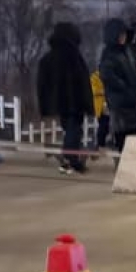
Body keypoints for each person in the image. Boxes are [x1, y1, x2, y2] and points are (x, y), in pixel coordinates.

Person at [37, 22, 95, 175]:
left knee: (69, 129)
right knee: (74, 129)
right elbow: (83, 81)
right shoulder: (75, 57)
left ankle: (71, 158)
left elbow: (42, 83)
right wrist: (88, 104)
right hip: (75, 101)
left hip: (58, 102)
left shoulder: (48, 58)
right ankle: (70, 158)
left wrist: (45, 104)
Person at [99, 18, 136, 152]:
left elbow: (134, 70)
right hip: (120, 104)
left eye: (125, 35)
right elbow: (107, 74)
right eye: (121, 35)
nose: (123, 37)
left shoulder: (127, 52)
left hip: (133, 103)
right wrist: (123, 87)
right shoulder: (109, 54)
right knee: (124, 142)